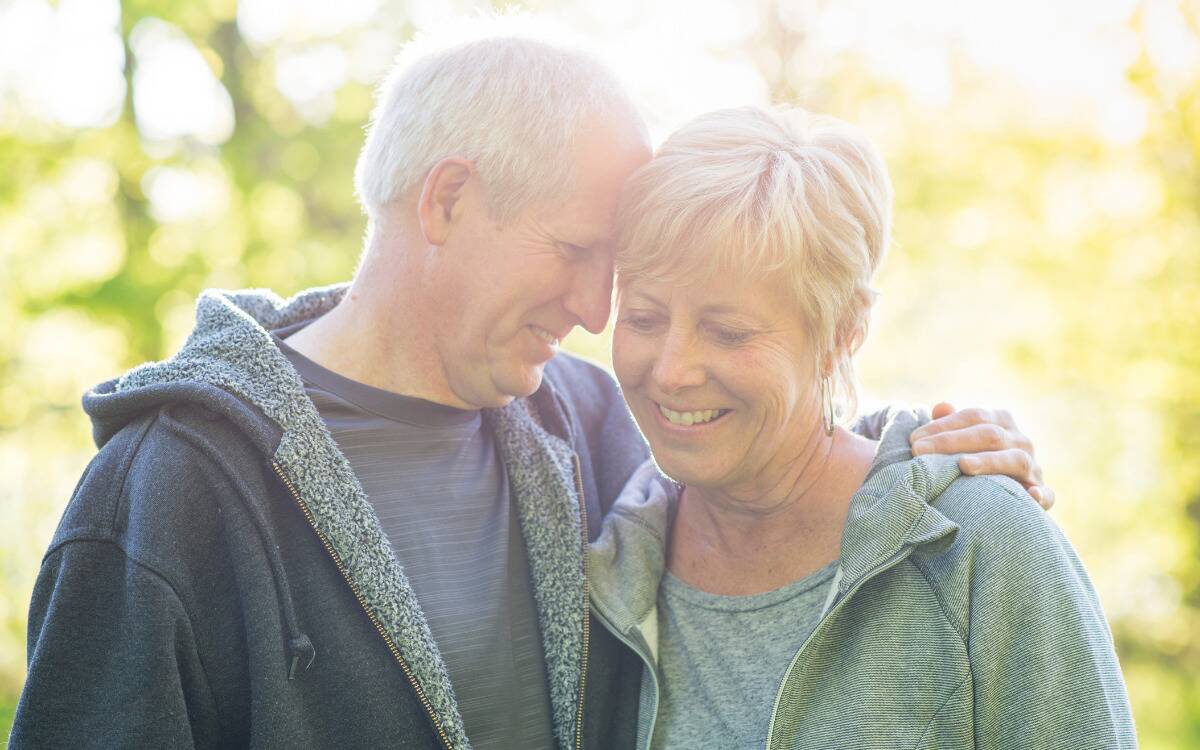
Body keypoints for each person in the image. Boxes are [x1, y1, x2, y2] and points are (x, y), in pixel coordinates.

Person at [12, 32, 1052, 750]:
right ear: (449, 198)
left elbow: (761, 465)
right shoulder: (163, 495)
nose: (599, 310)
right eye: (574, 250)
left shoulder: (588, 428)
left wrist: (918, 457)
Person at [588, 105, 1136, 749]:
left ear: (843, 332)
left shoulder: (979, 546)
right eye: (646, 318)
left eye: (728, 332)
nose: (672, 370)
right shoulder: (609, 561)